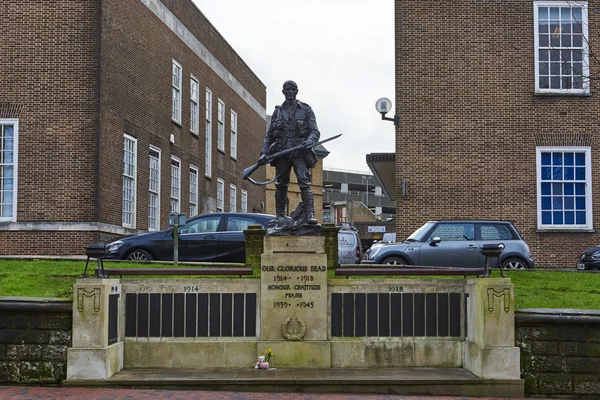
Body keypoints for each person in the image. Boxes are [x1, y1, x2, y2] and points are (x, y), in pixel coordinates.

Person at [259, 80, 320, 225]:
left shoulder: (306, 110)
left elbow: (314, 131)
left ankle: (310, 215)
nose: (290, 92)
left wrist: (310, 140)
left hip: (300, 152)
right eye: (287, 90)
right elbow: (269, 136)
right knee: (281, 184)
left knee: (304, 183)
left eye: (293, 89)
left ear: (297, 91)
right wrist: (264, 153)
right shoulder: (278, 111)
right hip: (282, 153)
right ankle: (280, 215)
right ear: (283, 92)